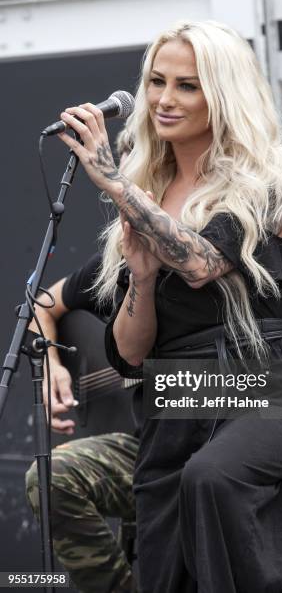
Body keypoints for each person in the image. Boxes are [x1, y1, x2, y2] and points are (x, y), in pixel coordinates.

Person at [57, 20, 282, 593]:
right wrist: (140, 279)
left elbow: (204, 263)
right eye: (157, 81)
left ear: (223, 94)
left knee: (213, 478)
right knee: (163, 540)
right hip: (176, 398)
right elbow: (131, 356)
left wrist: (110, 181)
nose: (163, 98)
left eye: (188, 85)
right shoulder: (145, 189)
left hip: (266, 384)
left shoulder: (270, 172)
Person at [25, 252, 140, 593]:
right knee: (48, 478)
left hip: (210, 447)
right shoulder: (127, 259)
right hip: (144, 445)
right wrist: (51, 365)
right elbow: (40, 306)